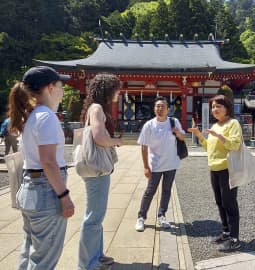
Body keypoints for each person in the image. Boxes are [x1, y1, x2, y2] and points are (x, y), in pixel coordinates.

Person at [8, 66, 75, 269]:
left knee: (29, 252)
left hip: (31, 189)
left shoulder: (32, 116)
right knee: (43, 260)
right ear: (50, 87)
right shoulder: (46, 117)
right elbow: (48, 161)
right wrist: (65, 197)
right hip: (46, 192)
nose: (63, 91)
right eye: (60, 85)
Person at [78, 73, 123, 270]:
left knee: (97, 216)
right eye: (116, 88)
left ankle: (97, 255)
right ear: (108, 90)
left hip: (98, 170)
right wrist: (116, 141)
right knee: (93, 218)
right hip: (97, 171)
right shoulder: (97, 108)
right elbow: (99, 138)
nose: (119, 92)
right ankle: (88, 263)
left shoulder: (94, 107)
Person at [188, 95, 242, 252]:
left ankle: (234, 238)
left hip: (228, 169)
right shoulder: (216, 125)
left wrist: (219, 136)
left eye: (218, 106)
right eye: (213, 107)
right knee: (220, 202)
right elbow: (209, 148)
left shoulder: (233, 123)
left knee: (229, 203)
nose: (215, 109)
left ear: (227, 108)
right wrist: (199, 136)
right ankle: (226, 232)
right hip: (214, 169)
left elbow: (235, 145)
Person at [134, 96, 185, 232]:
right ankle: (141, 217)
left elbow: (183, 137)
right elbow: (143, 146)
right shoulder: (149, 125)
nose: (160, 108)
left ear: (168, 109)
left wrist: (177, 132)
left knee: (167, 191)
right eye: (157, 106)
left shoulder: (174, 122)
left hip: (171, 163)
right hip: (155, 165)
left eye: (163, 106)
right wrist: (145, 166)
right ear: (154, 109)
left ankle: (162, 215)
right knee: (150, 191)